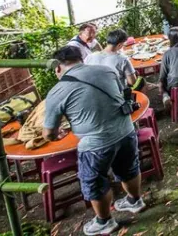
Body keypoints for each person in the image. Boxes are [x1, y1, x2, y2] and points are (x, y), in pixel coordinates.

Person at [43, 47, 145, 235]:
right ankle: (134, 201)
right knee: (129, 167)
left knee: (94, 181)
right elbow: (118, 95)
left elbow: (49, 134)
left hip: (96, 144)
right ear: (81, 59)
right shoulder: (107, 71)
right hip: (126, 130)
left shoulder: (57, 92)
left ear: (57, 67)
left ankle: (105, 221)